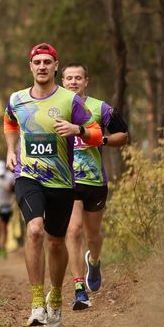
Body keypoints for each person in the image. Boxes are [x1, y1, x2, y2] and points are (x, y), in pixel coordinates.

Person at [3, 42, 103, 327]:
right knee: (34, 230)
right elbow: (10, 122)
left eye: (48, 62)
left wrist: (78, 129)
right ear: (31, 67)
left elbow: (96, 133)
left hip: (61, 181)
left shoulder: (70, 101)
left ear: (56, 66)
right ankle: (36, 301)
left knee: (56, 241)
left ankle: (56, 296)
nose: (42, 66)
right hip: (28, 176)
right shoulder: (18, 99)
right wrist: (11, 150)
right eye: (38, 62)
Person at [61, 63, 129, 309]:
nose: (73, 82)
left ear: (86, 81)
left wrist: (103, 139)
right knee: (74, 230)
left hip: (94, 180)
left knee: (93, 236)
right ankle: (79, 289)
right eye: (68, 78)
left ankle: (95, 261)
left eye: (78, 78)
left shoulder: (101, 108)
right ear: (63, 81)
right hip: (67, 179)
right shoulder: (56, 107)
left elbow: (124, 134)